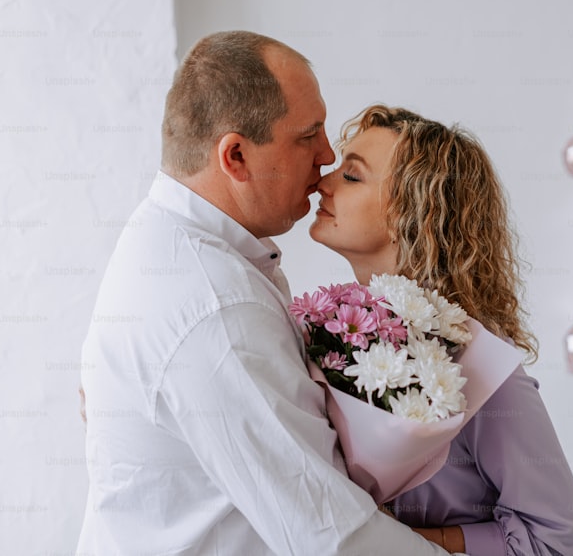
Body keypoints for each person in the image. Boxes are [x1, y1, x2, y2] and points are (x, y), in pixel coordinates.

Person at [77, 32, 453, 555]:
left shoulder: (172, 245)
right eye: (308, 136)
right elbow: (333, 537)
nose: (326, 156)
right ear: (235, 156)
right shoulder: (216, 308)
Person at [310, 104, 573, 555]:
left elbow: (556, 539)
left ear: (411, 215)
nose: (324, 182)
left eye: (352, 176)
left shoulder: (480, 368)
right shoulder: (330, 336)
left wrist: (398, 543)